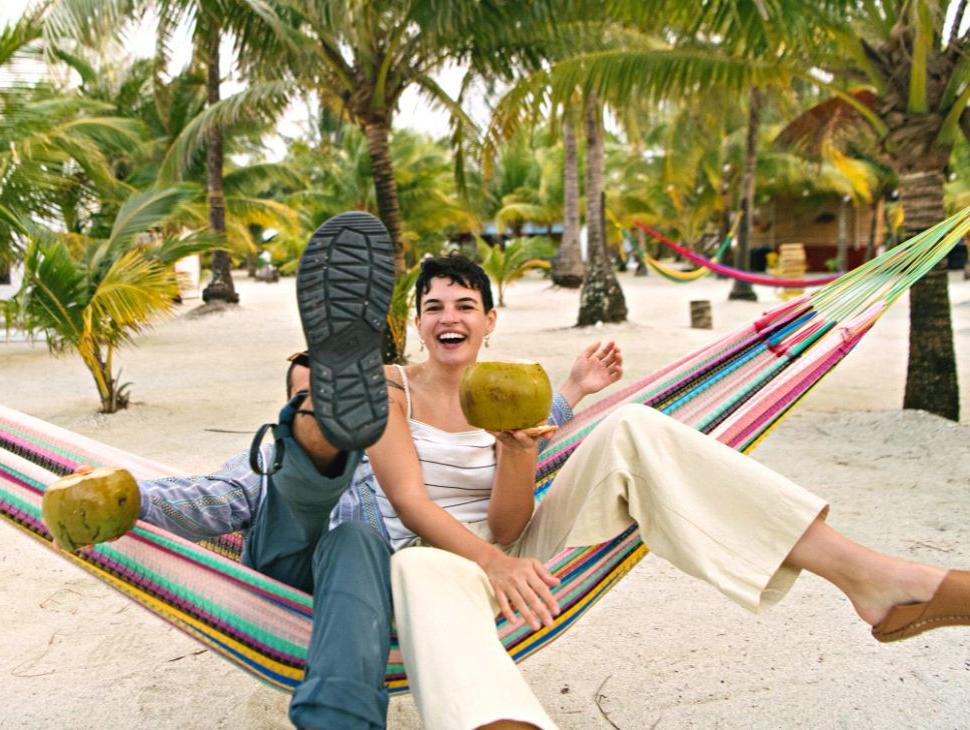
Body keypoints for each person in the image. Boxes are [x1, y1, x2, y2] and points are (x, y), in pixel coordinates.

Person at [361, 253, 970, 730]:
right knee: (417, 569)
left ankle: (871, 577)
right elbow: (411, 502)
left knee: (634, 424)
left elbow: (508, 523)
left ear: (489, 322)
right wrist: (493, 564)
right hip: (435, 555)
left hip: (510, 551)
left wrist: (519, 451)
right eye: (434, 306)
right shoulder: (388, 389)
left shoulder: (511, 390)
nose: (449, 317)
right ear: (417, 322)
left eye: (465, 305)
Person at [58, 212, 398, 730]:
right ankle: (321, 437)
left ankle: (339, 721)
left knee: (355, 536)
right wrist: (128, 495)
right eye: (305, 396)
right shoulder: (261, 461)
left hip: (363, 590)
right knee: (285, 480)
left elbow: (476, 460)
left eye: (331, 394)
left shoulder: (405, 459)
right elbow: (217, 497)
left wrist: (570, 396)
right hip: (281, 584)